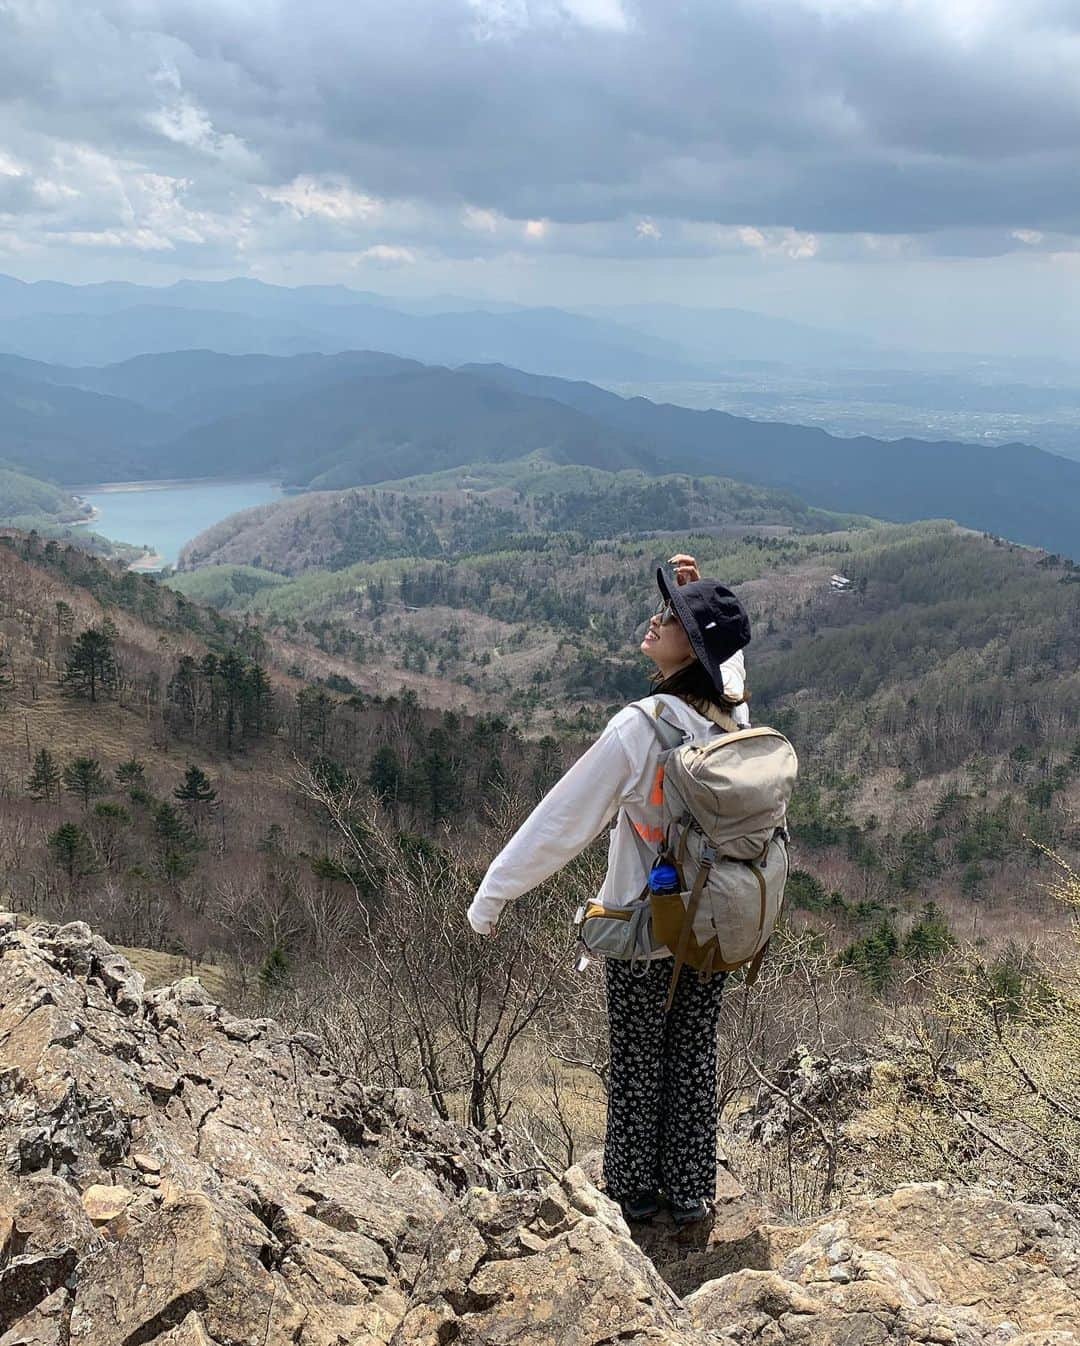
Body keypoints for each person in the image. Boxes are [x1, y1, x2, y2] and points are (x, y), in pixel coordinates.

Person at [466, 553, 751, 1225]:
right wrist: (696, 597)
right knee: (692, 1052)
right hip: (714, 922)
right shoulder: (733, 717)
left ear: (692, 647)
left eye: (673, 619)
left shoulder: (640, 726)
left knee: (637, 1062)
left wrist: (493, 894)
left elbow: (562, 821)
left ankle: (631, 1200)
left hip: (642, 926)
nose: (656, 620)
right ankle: (688, 1195)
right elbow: (731, 665)